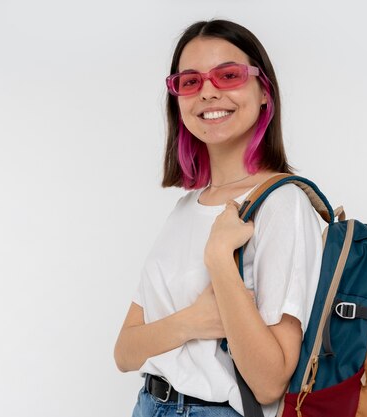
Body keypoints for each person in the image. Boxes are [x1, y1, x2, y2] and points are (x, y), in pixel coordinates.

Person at [113, 19, 323, 417]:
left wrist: (219, 261)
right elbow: (124, 353)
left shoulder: (282, 204)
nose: (208, 91)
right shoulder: (186, 208)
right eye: (190, 82)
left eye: (228, 76)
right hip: (148, 405)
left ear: (264, 91)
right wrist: (194, 321)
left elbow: (269, 382)